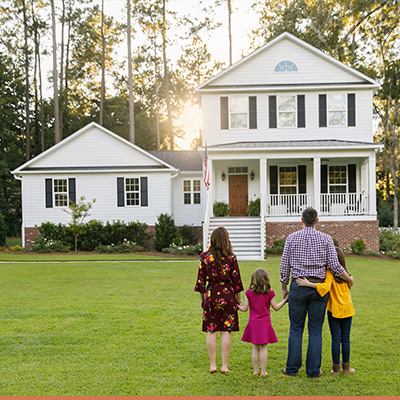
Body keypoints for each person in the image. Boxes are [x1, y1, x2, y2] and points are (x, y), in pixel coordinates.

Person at [280, 207, 354, 378]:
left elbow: (285, 265)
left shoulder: (291, 238)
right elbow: (335, 267)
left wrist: (284, 287)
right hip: (319, 288)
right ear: (317, 221)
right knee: (315, 330)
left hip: (298, 286)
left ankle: (291, 369)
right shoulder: (326, 239)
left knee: (296, 328)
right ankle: (313, 371)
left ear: (301, 220)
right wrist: (348, 279)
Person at [296, 247, 355, 375]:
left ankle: (336, 369)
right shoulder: (347, 275)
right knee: (346, 339)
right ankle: (347, 368)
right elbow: (350, 285)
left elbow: (326, 287)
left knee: (336, 339)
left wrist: (309, 284)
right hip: (348, 309)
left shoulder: (329, 273)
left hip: (334, 310)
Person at [194, 226, 243, 373]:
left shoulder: (204, 257)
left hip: (211, 294)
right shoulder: (231, 257)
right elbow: (237, 281)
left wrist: (202, 299)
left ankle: (212, 365)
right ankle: (224, 366)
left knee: (212, 330)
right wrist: (238, 300)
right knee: (226, 331)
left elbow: (201, 281)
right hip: (228, 295)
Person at [238, 268, 288, 376]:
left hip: (253, 323)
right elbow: (276, 307)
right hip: (264, 324)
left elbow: (244, 309)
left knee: (255, 347)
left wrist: (237, 306)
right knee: (264, 347)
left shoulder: (248, 293)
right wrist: (285, 300)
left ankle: (255, 371)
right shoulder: (269, 293)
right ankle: (263, 371)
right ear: (266, 280)